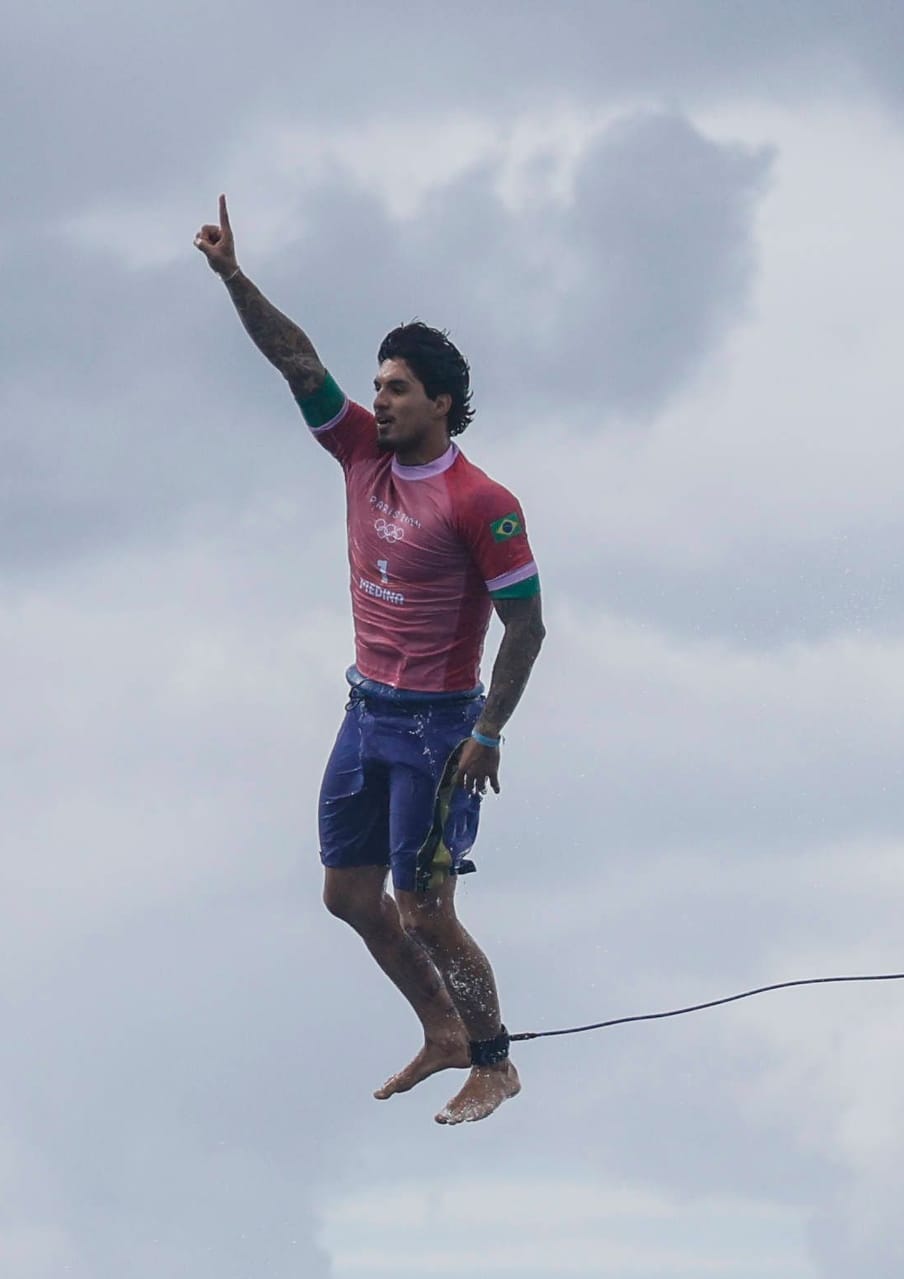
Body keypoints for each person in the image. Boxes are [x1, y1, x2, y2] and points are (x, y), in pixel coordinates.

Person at [195, 195, 546, 1125]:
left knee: (426, 907)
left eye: (396, 388)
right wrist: (235, 277)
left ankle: (495, 1060)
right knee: (348, 893)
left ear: (439, 401)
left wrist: (490, 730)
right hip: (365, 712)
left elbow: (529, 626)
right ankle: (442, 1029)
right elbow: (296, 360)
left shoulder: (482, 501)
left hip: (438, 729)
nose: (378, 399)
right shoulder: (360, 452)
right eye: (378, 385)